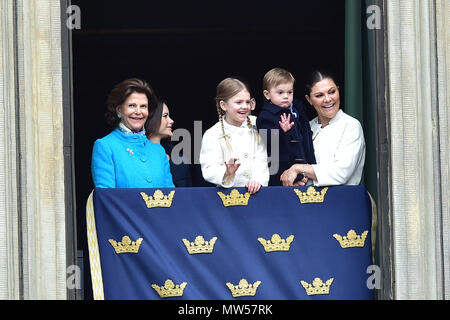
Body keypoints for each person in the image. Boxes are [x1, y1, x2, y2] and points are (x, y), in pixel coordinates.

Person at [280, 70, 366, 186]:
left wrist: (298, 169)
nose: (327, 99)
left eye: (332, 92)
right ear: (309, 99)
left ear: (338, 91)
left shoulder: (351, 126)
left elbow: (341, 173)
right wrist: (297, 181)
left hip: (343, 201)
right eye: (319, 95)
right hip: (308, 202)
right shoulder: (308, 127)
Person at [91, 78, 174, 188]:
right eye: (132, 105)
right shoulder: (105, 146)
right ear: (119, 110)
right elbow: (106, 198)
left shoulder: (158, 151)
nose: (138, 112)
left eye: (143, 106)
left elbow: (171, 196)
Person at [199, 77, 269, 194]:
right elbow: (209, 168)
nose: (245, 106)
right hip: (228, 196)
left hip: (258, 192)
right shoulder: (212, 134)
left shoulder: (258, 123)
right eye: (238, 102)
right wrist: (227, 173)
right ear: (223, 105)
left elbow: (262, 158)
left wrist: (257, 180)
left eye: (247, 102)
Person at [256, 68, 316, 186]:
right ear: (267, 95)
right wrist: (281, 131)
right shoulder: (265, 115)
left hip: (302, 167)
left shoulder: (297, 110)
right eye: (280, 92)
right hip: (279, 171)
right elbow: (265, 140)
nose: (286, 96)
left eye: (290, 92)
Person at [146, 99, 192, 187]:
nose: (171, 121)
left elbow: (186, 193)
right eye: (165, 116)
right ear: (151, 118)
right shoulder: (133, 152)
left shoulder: (178, 158)